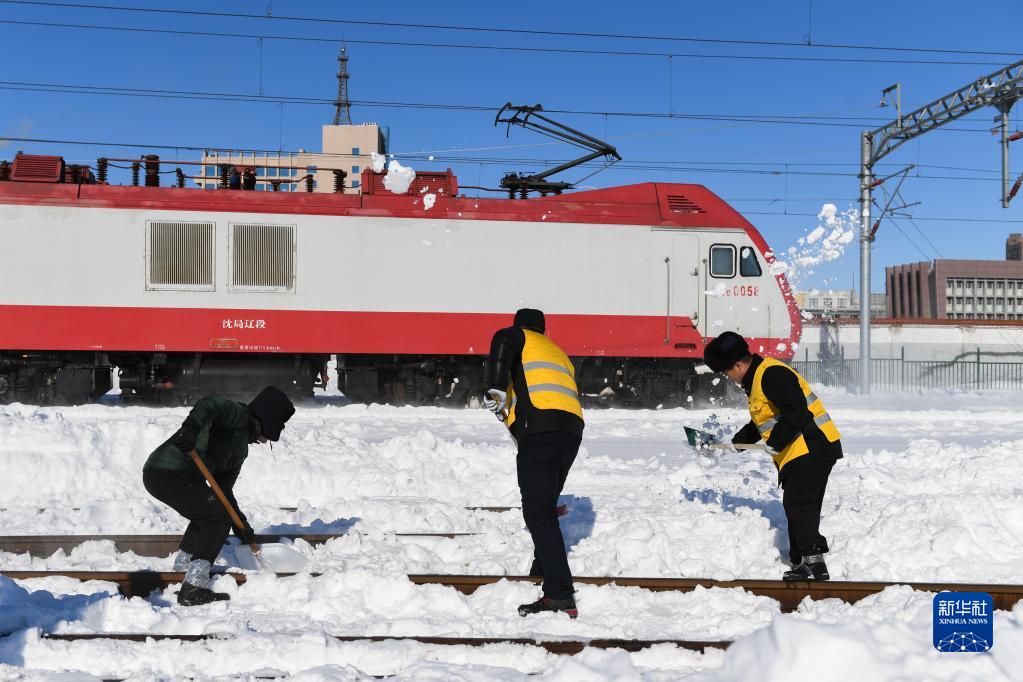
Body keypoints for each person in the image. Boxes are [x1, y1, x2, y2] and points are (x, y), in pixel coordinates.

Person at [703, 331, 842, 582]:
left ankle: (814, 562)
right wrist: (737, 444)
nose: (728, 378)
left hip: (812, 446)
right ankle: (801, 561)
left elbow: (796, 411)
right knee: (796, 504)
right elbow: (764, 421)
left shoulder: (772, 374)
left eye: (726, 372)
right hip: (799, 450)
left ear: (738, 364)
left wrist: (776, 442)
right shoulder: (757, 379)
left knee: (799, 503)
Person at [142, 386, 295, 606]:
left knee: (211, 512)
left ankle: (183, 569)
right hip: (169, 471)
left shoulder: (240, 450)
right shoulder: (239, 417)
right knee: (217, 518)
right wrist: (191, 429)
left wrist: (242, 527)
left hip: (174, 475)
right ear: (267, 423)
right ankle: (193, 587)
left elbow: (223, 493)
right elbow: (210, 402)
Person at [484, 308, 585, 618]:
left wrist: (495, 386)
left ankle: (559, 595)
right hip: (571, 430)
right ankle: (542, 567)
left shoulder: (518, 337)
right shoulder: (557, 353)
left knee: (537, 510)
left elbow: (502, 338)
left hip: (541, 428)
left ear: (521, 326)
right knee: (544, 504)